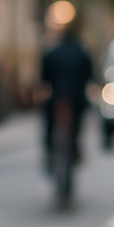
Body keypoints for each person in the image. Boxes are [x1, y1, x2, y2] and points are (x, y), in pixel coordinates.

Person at [40, 19, 95, 166]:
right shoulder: (82, 52)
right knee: (78, 124)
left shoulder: (52, 52)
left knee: (49, 123)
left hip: (57, 96)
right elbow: (90, 75)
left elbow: (44, 78)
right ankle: (75, 148)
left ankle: (49, 150)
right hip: (77, 97)